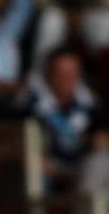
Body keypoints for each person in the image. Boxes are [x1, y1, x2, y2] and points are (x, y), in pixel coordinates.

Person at [31, 47, 98, 192]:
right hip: (50, 177)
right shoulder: (28, 107)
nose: (65, 79)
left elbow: (103, 140)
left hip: (82, 174)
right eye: (59, 74)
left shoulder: (92, 108)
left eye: (71, 74)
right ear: (47, 75)